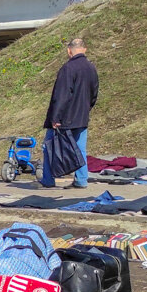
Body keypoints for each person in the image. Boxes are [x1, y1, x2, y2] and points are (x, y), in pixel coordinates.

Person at [42, 37, 99, 189]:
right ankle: (81, 180)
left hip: (65, 117)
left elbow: (61, 95)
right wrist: (86, 108)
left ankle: (48, 179)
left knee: (50, 147)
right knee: (80, 148)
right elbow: (94, 93)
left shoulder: (68, 68)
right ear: (84, 49)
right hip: (82, 116)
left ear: (69, 51)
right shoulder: (91, 67)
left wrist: (55, 117)